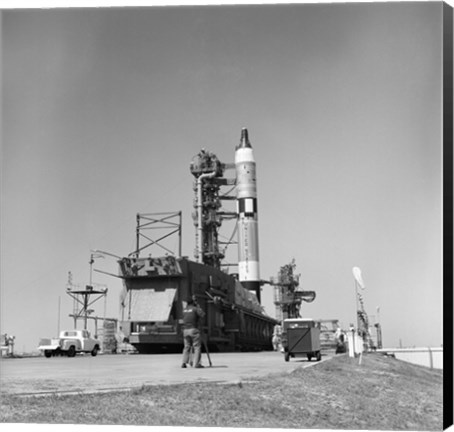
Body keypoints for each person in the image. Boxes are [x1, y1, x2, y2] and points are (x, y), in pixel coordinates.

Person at [181, 297, 205, 368]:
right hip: (193, 329)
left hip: (185, 330)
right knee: (197, 347)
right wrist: (198, 306)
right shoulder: (195, 309)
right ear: (193, 302)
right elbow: (203, 314)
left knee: (186, 347)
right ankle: (196, 364)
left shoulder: (184, 310)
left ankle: (184, 363)